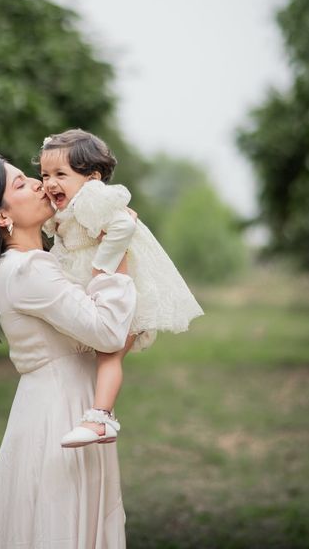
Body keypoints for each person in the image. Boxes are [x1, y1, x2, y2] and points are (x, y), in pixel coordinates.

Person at [0, 156, 137, 549]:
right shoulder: (28, 270)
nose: (37, 184)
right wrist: (112, 263)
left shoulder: (30, 264)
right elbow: (105, 331)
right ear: (1, 216)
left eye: (28, 176)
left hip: (54, 402)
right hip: (60, 409)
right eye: (19, 184)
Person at [39, 129, 204, 449]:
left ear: (92, 178)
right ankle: (102, 416)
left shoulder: (91, 197)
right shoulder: (67, 205)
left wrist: (103, 266)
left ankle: (100, 419)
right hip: (103, 290)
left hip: (125, 290)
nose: (49, 182)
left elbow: (124, 226)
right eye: (45, 174)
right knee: (104, 356)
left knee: (109, 356)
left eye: (61, 174)